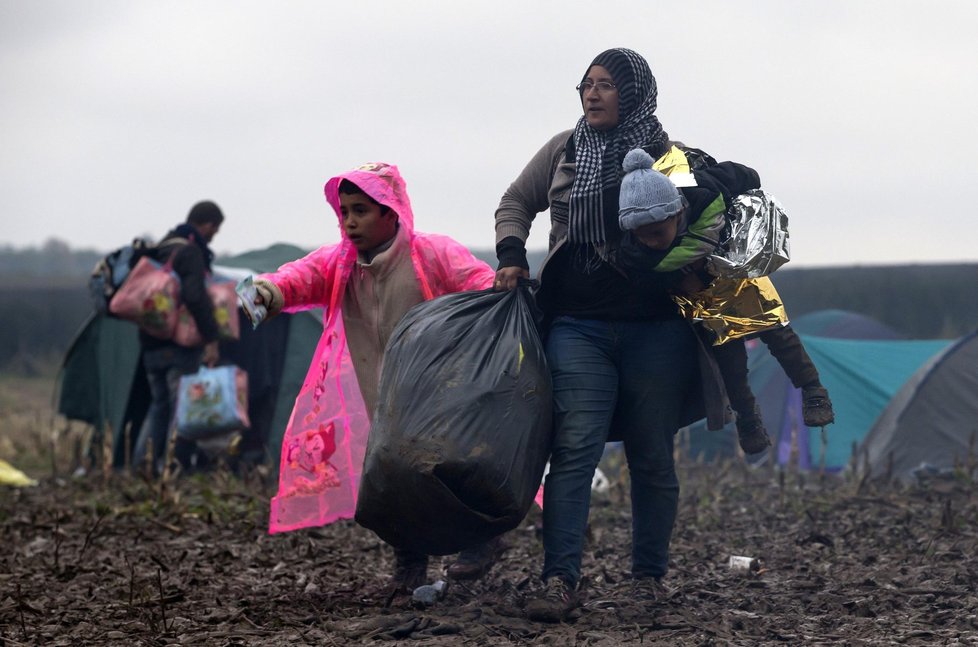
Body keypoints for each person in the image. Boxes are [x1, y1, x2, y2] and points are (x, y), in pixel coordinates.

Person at [493, 47, 731, 622]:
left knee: (652, 454)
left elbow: (709, 221)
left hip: (657, 331)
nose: (592, 95)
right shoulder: (564, 149)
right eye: (586, 85)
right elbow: (515, 203)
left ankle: (647, 581)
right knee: (574, 449)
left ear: (634, 93)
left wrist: (701, 264)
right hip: (578, 327)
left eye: (605, 85)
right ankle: (559, 580)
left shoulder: (673, 160)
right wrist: (510, 255)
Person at [252, 162, 502, 599]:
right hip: (381, 396)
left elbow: (482, 287)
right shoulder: (340, 264)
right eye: (345, 211)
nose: (349, 221)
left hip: (442, 393)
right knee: (391, 481)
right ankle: (409, 559)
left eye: (361, 210)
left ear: (391, 212)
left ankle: (480, 540)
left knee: (452, 469)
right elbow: (298, 277)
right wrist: (268, 291)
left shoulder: (432, 254)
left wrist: (505, 293)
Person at [615, 148, 835, 455]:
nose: (651, 242)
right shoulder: (635, 252)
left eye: (657, 232)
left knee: (778, 333)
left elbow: (747, 176)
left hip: (738, 274)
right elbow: (644, 278)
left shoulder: (704, 191)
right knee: (730, 362)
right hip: (702, 299)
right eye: (642, 236)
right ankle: (748, 419)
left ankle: (814, 391)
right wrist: (677, 278)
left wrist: (743, 220)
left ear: (678, 212)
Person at [133, 200, 223, 474]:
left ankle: (143, 465)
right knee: (180, 408)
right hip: (178, 345)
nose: (213, 236)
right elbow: (195, 297)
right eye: (214, 230)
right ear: (207, 224)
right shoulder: (190, 252)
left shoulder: (162, 247)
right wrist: (211, 337)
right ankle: (173, 466)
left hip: (149, 342)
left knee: (159, 405)